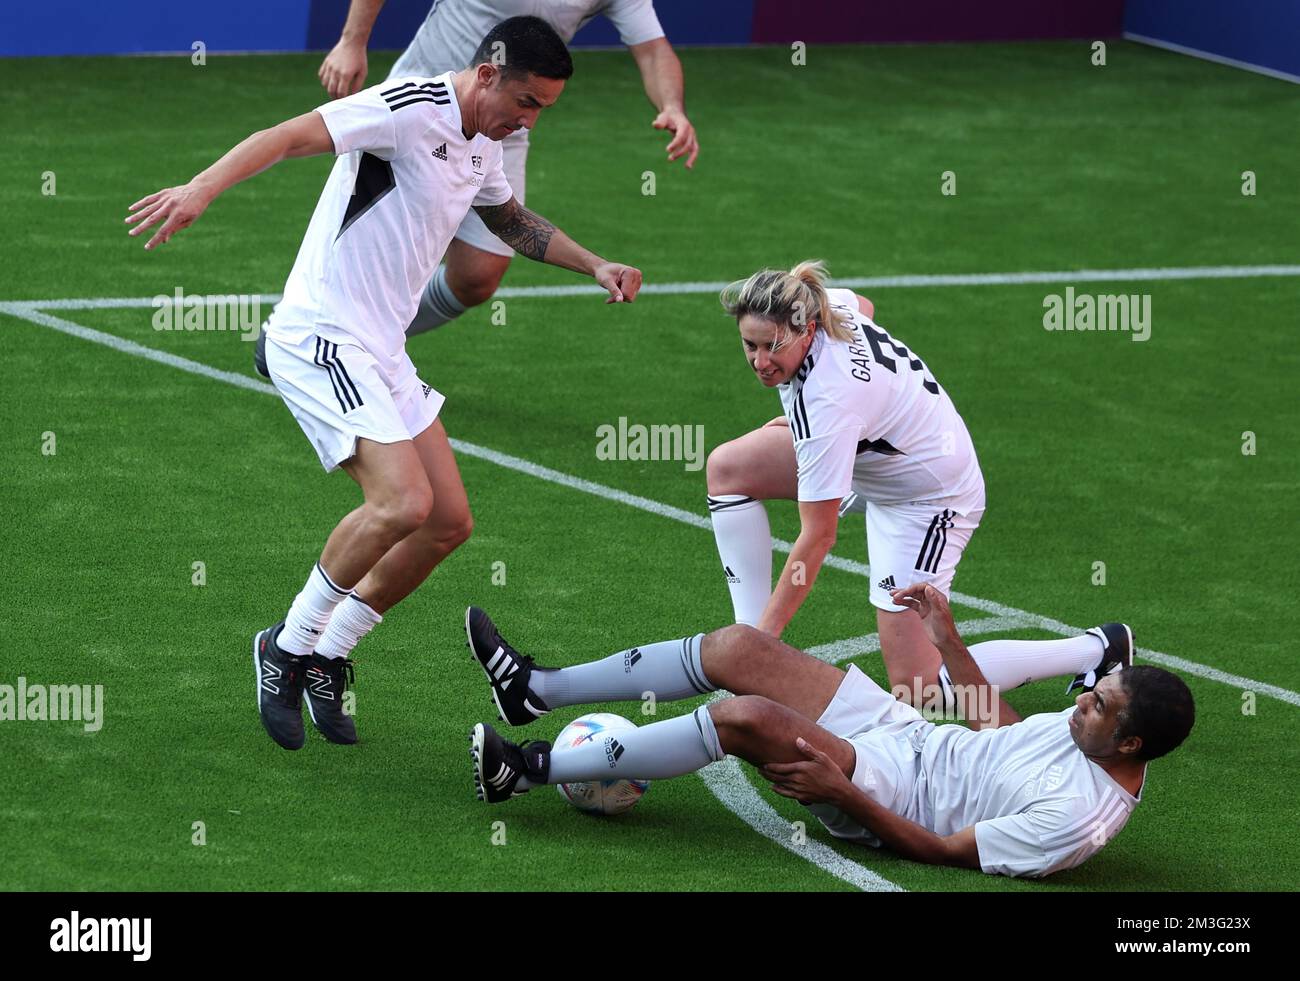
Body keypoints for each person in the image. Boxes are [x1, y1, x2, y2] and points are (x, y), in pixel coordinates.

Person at [126, 17, 643, 750]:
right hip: (321, 333)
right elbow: (289, 135)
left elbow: (512, 220)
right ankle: (287, 644)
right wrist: (201, 187)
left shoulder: (482, 142)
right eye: (527, 103)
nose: (529, 121)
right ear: (489, 74)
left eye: (543, 111)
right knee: (402, 500)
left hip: (382, 350)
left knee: (447, 521)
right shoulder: (407, 107)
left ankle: (330, 652)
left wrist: (595, 264)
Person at [462, 588, 1194, 878]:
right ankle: (536, 688)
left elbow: (940, 850)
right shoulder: (1092, 732)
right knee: (737, 649)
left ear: (1129, 744)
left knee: (744, 718)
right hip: (910, 734)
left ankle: (527, 769)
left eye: (1098, 704)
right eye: (1094, 690)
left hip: (893, 792)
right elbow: (999, 731)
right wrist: (950, 641)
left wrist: (843, 789)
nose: (1080, 703)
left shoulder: (1072, 822)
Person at [706, 261, 1124, 707]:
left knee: (919, 689)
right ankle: (746, 635)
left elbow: (818, 537)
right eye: (749, 345)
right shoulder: (832, 310)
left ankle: (1099, 649)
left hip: (929, 501)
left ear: (807, 329)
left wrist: (767, 644)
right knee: (730, 469)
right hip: (874, 458)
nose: (761, 362)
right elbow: (863, 304)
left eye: (773, 346)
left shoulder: (828, 403)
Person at [308, 0, 697, 342]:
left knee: (478, 275)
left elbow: (652, 51)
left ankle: (367, 339)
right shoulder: (413, 106)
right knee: (382, 239)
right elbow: (286, 138)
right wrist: (352, 41)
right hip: (419, 106)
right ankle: (314, 330)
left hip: (504, 120)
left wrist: (672, 106)